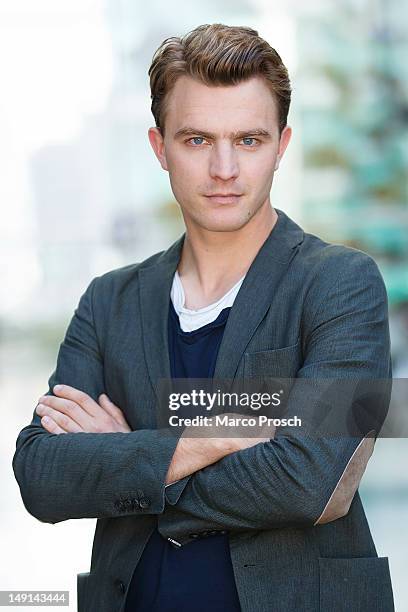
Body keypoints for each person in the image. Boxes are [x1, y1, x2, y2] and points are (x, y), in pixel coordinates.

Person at [13, 23, 395, 612]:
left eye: (248, 140)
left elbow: (314, 482)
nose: (224, 168)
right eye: (196, 140)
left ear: (282, 145)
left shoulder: (344, 285)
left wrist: (135, 455)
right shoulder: (107, 300)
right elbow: (42, 475)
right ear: (159, 146)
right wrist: (209, 437)